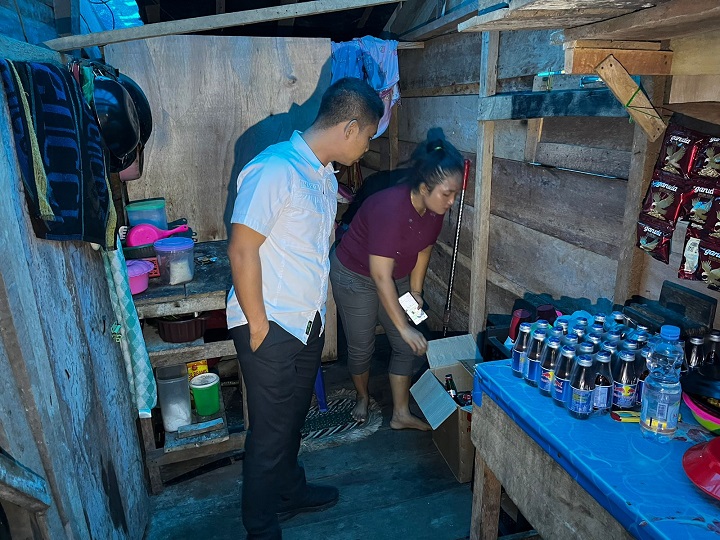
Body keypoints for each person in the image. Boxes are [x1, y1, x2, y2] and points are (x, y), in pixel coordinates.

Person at [226, 77, 383, 540]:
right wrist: (259, 326)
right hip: (270, 323)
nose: (368, 146)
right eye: (368, 136)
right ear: (349, 128)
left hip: (305, 323)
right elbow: (241, 249)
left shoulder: (323, 176)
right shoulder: (275, 168)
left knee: (293, 421)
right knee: (269, 434)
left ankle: (288, 492)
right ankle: (260, 527)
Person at [330, 139, 464, 429]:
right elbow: (380, 276)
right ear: (424, 187)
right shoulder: (390, 209)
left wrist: (415, 292)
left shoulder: (434, 211)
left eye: (456, 194)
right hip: (355, 276)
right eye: (447, 193)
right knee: (362, 347)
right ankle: (362, 396)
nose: (452, 201)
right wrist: (403, 327)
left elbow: (424, 250)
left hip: (398, 277)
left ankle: (400, 415)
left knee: (408, 345)